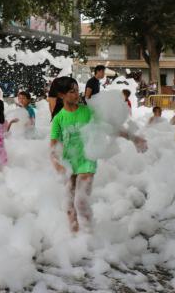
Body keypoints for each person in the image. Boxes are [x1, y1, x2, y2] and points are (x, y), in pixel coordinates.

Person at [49, 77, 146, 232]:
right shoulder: (58, 119)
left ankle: (89, 234)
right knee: (68, 204)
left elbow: (110, 128)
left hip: (87, 160)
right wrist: (57, 164)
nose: (76, 94)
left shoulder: (87, 112)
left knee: (80, 202)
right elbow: (53, 146)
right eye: (72, 91)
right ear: (61, 95)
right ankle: (75, 238)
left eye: (76, 90)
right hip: (69, 161)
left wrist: (134, 138)